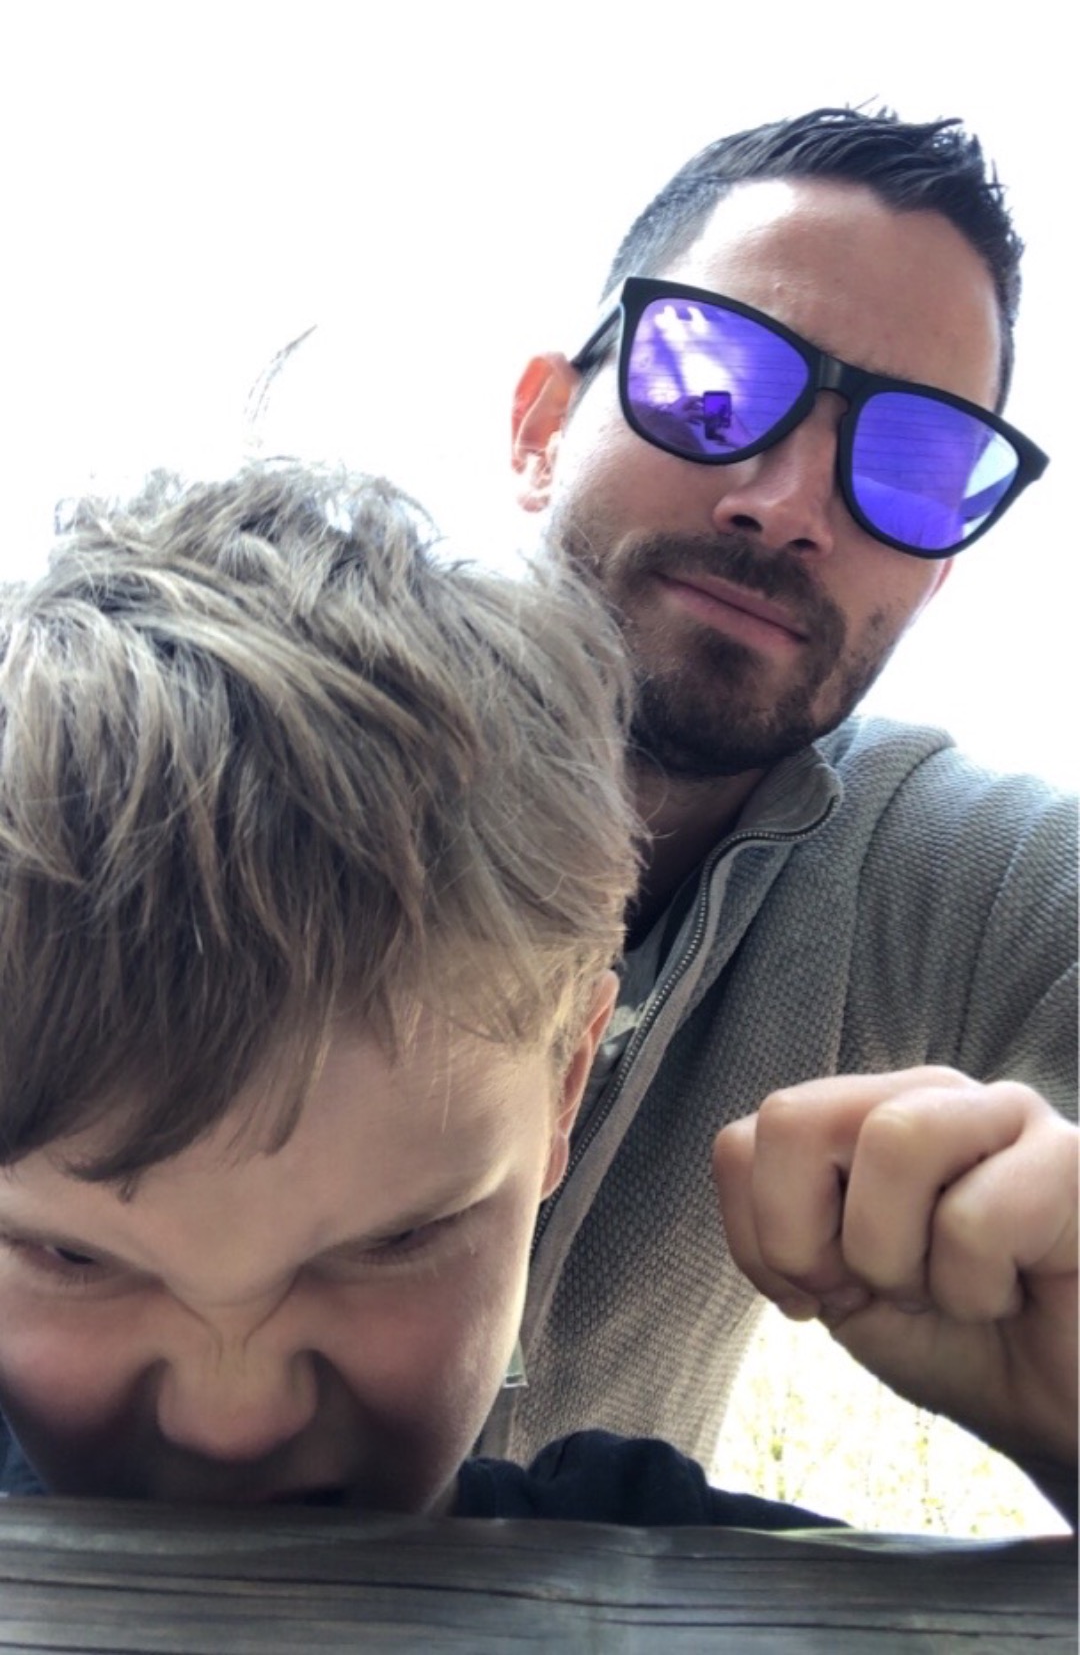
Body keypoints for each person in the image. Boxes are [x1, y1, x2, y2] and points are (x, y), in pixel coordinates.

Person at [0, 463, 1073, 1529]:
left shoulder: (654, 1562)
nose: (235, 1419)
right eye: (73, 1257)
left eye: (394, 1242)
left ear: (567, 1088)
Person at [487, 105, 1078, 1474]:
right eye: (713, 381)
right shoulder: (207, 746)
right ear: (540, 427)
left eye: (913, 466)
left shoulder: (940, 871)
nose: (793, 504)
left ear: (937, 575)